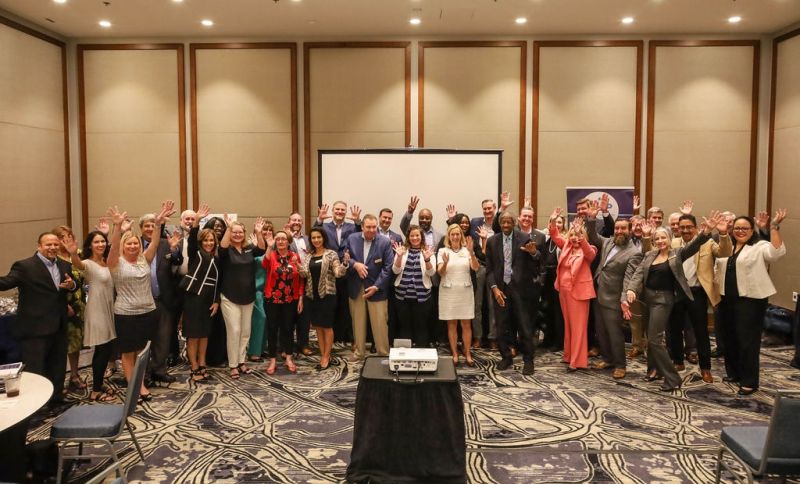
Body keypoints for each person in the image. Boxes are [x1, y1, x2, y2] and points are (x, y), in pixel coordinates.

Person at [623, 211, 721, 392]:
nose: (660, 241)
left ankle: (672, 376)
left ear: (669, 238)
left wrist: (706, 232)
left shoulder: (677, 254)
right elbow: (638, 274)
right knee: (653, 338)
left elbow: (695, 245)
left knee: (654, 340)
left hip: (664, 300)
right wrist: (630, 289)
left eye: (663, 238)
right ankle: (659, 371)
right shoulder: (650, 255)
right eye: (657, 238)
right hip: (648, 300)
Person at [107, 201, 175, 402]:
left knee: (142, 351)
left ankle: (139, 382)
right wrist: (118, 227)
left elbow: (154, 242)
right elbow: (112, 248)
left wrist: (159, 224)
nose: (133, 245)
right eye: (129, 243)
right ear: (123, 246)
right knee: (128, 353)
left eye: (135, 243)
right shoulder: (115, 263)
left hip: (148, 312)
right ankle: (135, 387)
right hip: (126, 314)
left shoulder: (144, 259)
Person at [715, 210, 787, 395]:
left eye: (745, 228)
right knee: (729, 337)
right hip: (726, 298)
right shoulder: (727, 246)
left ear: (751, 230)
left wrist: (774, 227)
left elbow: (776, 253)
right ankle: (734, 373)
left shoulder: (759, 245)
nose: (740, 231)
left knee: (747, 341)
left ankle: (749, 380)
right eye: (737, 228)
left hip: (751, 300)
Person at [0, 232, 77, 404]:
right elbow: (5, 283)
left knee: (57, 366)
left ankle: (56, 400)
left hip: (59, 325)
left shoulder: (65, 265)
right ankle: (36, 406)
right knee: (36, 370)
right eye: (48, 244)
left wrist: (71, 285)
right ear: (39, 246)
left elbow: (70, 286)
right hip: (35, 328)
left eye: (56, 244)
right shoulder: (25, 266)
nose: (52, 248)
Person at [668, 213, 731, 383]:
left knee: (701, 331)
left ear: (696, 228)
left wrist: (723, 234)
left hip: (697, 292)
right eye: (682, 227)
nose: (686, 230)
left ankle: (705, 368)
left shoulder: (708, 242)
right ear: (677, 228)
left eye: (689, 227)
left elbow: (724, 252)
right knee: (674, 329)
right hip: (677, 292)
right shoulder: (672, 243)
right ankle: (678, 361)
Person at [585, 205, 643, 379]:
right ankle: (608, 359)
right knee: (601, 331)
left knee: (615, 333)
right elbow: (594, 236)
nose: (619, 231)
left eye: (623, 228)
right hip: (599, 294)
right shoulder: (609, 241)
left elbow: (629, 279)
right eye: (617, 228)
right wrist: (592, 219)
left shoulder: (634, 253)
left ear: (630, 230)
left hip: (614, 299)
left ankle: (620, 365)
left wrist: (624, 299)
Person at [485, 211, 544, 375]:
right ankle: (506, 356)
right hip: (500, 289)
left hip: (521, 290)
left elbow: (538, 260)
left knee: (524, 327)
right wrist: (494, 288)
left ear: (514, 223)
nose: (505, 225)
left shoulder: (524, 238)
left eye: (508, 222)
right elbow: (489, 269)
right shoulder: (492, 241)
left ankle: (528, 360)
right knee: (502, 325)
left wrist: (533, 253)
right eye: (502, 222)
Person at [62, 230, 117, 401]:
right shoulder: (87, 263)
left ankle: (99, 383)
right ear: (90, 245)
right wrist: (72, 253)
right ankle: (96, 391)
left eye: (103, 241)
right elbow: (78, 265)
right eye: (96, 242)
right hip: (97, 309)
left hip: (110, 308)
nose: (100, 244)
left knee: (107, 349)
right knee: (101, 349)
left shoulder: (106, 262)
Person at [549, 210, 597, 372]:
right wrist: (554, 219)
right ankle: (568, 355)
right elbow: (555, 236)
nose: (575, 237)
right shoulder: (566, 247)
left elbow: (589, 253)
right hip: (564, 291)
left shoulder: (589, 249)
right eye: (572, 235)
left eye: (578, 234)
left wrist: (581, 237)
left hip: (579, 294)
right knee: (568, 325)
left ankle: (577, 361)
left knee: (578, 327)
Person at [219, 215, 266, 379]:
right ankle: (233, 365)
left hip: (248, 296)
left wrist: (259, 233)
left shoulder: (248, 248)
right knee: (234, 330)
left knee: (245, 331)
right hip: (229, 296)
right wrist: (228, 227)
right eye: (234, 232)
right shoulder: (226, 250)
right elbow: (222, 248)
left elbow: (261, 249)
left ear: (244, 233)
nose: (237, 235)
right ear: (230, 233)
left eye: (240, 232)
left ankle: (241, 361)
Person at [138, 213, 183, 385]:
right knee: (144, 339)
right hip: (142, 301)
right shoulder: (134, 244)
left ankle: (159, 369)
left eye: (152, 225)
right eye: (146, 226)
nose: (149, 228)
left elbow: (178, 261)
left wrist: (174, 251)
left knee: (163, 337)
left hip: (163, 299)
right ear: (141, 228)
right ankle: (144, 373)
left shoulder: (166, 244)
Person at [180, 204, 220, 386]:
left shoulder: (216, 258)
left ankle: (202, 362)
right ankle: (194, 366)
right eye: (206, 240)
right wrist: (196, 220)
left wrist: (216, 301)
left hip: (208, 300)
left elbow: (219, 282)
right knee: (193, 334)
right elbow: (194, 238)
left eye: (212, 240)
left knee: (204, 334)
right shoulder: (196, 253)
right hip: (193, 298)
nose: (209, 243)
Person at [344, 214, 394, 360]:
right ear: (362, 227)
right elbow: (345, 257)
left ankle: (383, 354)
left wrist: (377, 286)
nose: (372, 230)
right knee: (358, 323)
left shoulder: (384, 242)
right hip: (356, 287)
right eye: (369, 227)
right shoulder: (352, 238)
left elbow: (388, 267)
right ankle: (359, 353)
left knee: (380, 324)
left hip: (376, 288)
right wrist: (355, 264)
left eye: (374, 227)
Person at [299, 227, 348, 370]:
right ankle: (323, 354)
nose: (316, 240)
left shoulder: (331, 254)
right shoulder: (308, 256)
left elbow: (338, 273)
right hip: (311, 296)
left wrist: (345, 264)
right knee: (318, 327)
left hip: (327, 295)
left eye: (318, 237)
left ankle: (326, 356)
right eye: (313, 238)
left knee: (327, 327)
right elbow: (304, 275)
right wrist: (298, 267)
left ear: (324, 238)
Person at [314, 201, 362, 346]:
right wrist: (319, 220)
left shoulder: (352, 227)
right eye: (337, 209)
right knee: (331, 305)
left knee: (346, 306)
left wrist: (358, 222)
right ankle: (333, 337)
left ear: (345, 212)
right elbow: (314, 235)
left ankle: (349, 337)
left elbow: (361, 236)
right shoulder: (325, 226)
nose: (340, 212)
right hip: (329, 272)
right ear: (333, 211)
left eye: (342, 210)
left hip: (348, 271)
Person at [262, 230, 304, 374]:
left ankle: (289, 358)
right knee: (272, 329)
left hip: (290, 299)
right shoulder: (272, 255)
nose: (280, 241)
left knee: (288, 328)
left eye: (283, 239)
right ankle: (273, 359)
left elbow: (300, 278)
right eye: (278, 239)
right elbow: (264, 264)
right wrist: (268, 245)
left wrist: (300, 297)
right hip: (272, 298)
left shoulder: (295, 256)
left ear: (288, 242)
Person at [438, 224, 480, 366]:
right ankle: (455, 353)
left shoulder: (467, 250)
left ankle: (467, 353)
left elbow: (475, 268)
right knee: (452, 324)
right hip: (449, 292)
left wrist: (472, 253)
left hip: (464, 291)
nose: (455, 237)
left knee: (466, 323)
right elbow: (440, 272)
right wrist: (445, 263)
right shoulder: (442, 251)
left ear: (461, 236)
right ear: (448, 236)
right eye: (452, 234)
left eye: (457, 234)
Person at [52, 225, 86, 394]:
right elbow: (52, 286)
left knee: (76, 343)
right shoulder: (53, 258)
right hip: (62, 305)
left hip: (79, 303)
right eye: (61, 237)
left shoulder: (77, 254)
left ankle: (74, 374)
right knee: (63, 344)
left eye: (68, 236)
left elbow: (84, 273)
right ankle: (58, 379)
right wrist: (64, 306)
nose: (65, 239)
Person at [392, 226, 437, 347]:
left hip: (422, 298)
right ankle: (405, 354)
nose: (415, 238)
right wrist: (399, 256)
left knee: (421, 326)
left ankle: (421, 353)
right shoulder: (402, 250)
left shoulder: (428, 251)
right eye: (412, 235)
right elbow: (395, 271)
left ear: (421, 237)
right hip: (402, 297)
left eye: (417, 235)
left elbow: (431, 273)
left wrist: (427, 260)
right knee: (404, 326)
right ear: (408, 237)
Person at [248, 219, 273, 362]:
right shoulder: (251, 247)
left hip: (270, 290)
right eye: (264, 230)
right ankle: (254, 351)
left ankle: (261, 348)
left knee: (267, 320)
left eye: (270, 230)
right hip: (256, 289)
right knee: (260, 318)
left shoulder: (274, 247)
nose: (267, 232)